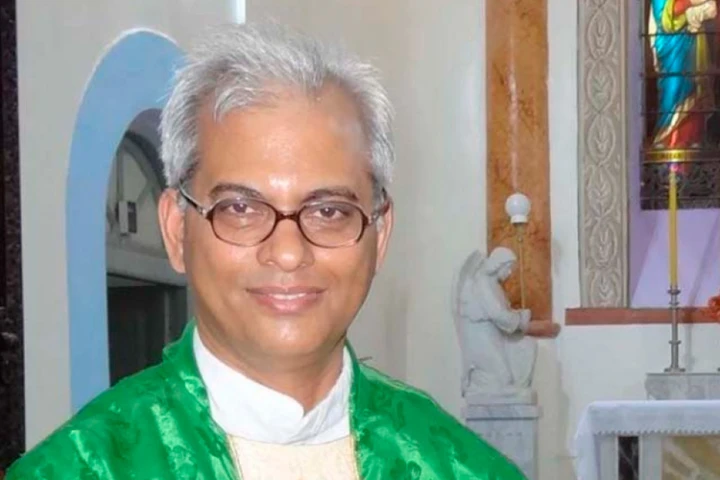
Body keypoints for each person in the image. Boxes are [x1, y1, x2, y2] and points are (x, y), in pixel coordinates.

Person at [7, 23, 526, 479]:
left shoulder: (461, 468)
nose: (288, 252)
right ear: (176, 230)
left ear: (379, 235)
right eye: (240, 207)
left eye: (329, 211)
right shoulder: (80, 468)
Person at [453, 248, 559, 402]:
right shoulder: (482, 283)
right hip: (481, 339)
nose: (509, 273)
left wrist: (519, 316)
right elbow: (498, 315)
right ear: (498, 264)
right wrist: (522, 321)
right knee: (503, 378)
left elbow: (504, 313)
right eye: (508, 268)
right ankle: (484, 388)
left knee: (527, 346)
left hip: (497, 336)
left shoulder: (493, 284)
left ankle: (517, 392)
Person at [648, 0, 717, 148]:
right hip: (671, 44)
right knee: (675, 86)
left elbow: (712, 9)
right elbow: (665, 17)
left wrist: (698, 9)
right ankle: (668, 138)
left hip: (695, 41)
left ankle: (694, 139)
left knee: (696, 88)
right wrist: (693, 3)